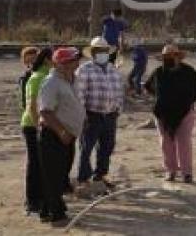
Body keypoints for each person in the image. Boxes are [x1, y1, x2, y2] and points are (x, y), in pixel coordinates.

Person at [37, 47, 86, 224]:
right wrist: (61, 131)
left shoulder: (72, 80)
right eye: (73, 60)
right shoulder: (51, 83)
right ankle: (56, 214)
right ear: (62, 63)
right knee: (53, 175)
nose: (77, 63)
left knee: (61, 174)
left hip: (68, 135)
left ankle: (46, 210)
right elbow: (45, 112)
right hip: (54, 135)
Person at [144, 44, 196, 183]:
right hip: (162, 113)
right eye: (167, 57)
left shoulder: (189, 71)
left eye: (173, 56)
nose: (170, 59)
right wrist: (160, 98)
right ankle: (170, 171)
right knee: (166, 143)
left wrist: (188, 101)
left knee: (184, 142)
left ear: (178, 57)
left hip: (184, 112)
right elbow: (149, 87)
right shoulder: (158, 72)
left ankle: (186, 173)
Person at [75, 37, 124, 188]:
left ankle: (101, 175)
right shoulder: (84, 70)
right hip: (91, 115)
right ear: (93, 53)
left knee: (107, 147)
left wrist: (118, 110)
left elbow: (119, 91)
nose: (102, 53)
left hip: (110, 115)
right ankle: (83, 177)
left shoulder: (113, 70)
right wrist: (82, 115)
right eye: (98, 51)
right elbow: (80, 94)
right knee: (86, 147)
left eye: (104, 51)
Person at [21, 47, 48, 216]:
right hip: (33, 124)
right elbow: (28, 105)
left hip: (41, 123)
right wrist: (38, 124)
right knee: (35, 163)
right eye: (28, 60)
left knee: (42, 163)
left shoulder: (47, 76)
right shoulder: (32, 78)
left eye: (34, 59)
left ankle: (41, 198)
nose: (31, 63)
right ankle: (32, 201)